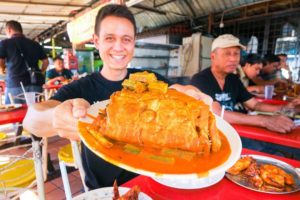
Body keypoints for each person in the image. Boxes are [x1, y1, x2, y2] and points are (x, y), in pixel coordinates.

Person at [23, 4, 209, 189]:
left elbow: (178, 90)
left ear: (134, 42)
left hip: (151, 183)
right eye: (110, 38)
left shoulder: (148, 81)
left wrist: (194, 93)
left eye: (126, 39)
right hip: (104, 190)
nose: (118, 47)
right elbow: (31, 119)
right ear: (97, 41)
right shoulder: (82, 87)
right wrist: (54, 116)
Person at [190, 34, 297, 134]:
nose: (233, 59)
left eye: (236, 54)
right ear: (213, 57)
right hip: (210, 134)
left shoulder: (233, 79)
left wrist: (287, 109)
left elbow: (255, 105)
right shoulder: (200, 80)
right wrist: (265, 120)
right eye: (227, 53)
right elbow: (216, 113)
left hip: (234, 131)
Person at [0, 20, 49, 104]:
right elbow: (46, 62)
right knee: (34, 112)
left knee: (14, 112)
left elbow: (0, 60)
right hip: (35, 84)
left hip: (15, 83)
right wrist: (41, 71)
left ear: (9, 30)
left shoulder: (5, 43)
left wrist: (2, 69)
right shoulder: (35, 44)